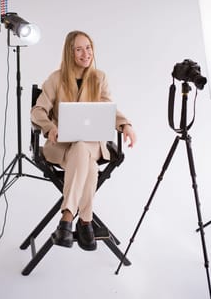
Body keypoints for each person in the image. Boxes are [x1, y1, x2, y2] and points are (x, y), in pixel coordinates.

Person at [31, 30, 136, 251]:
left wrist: (125, 125)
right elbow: (37, 111)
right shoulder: (55, 79)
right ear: (70, 53)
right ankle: (85, 222)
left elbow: (109, 111)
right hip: (62, 147)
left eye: (88, 47)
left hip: (93, 145)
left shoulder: (99, 78)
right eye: (79, 49)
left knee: (82, 146)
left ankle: (66, 220)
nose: (85, 53)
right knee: (87, 163)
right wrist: (49, 127)